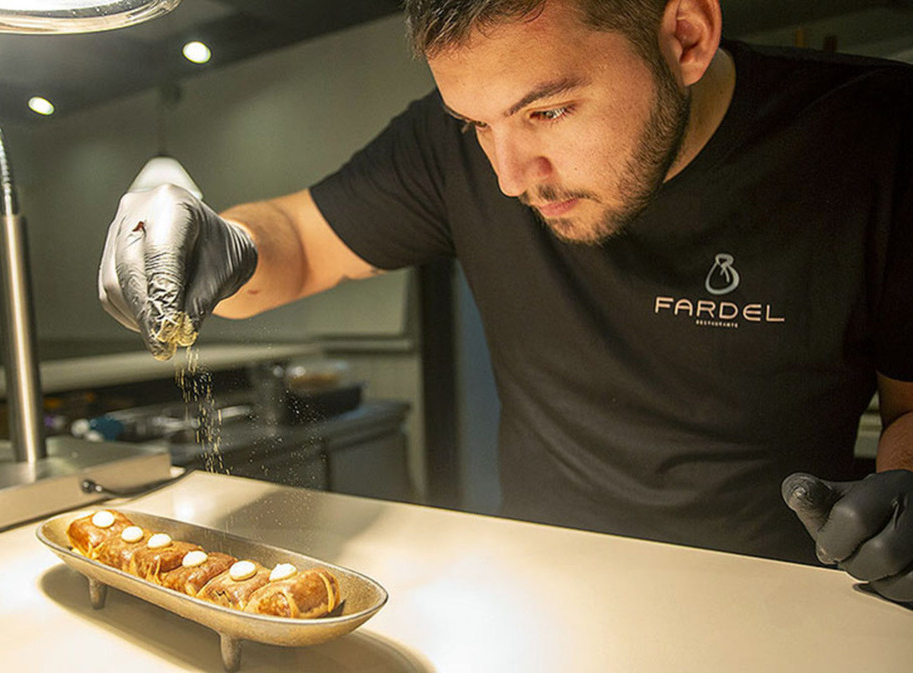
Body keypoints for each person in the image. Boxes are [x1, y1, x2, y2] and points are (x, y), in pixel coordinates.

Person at [98, 0, 913, 602]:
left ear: (686, 35)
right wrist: (209, 243)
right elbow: (297, 241)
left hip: (783, 595)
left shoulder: (877, 137)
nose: (510, 175)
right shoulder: (449, 150)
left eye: (548, 109)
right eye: (475, 125)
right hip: (540, 586)